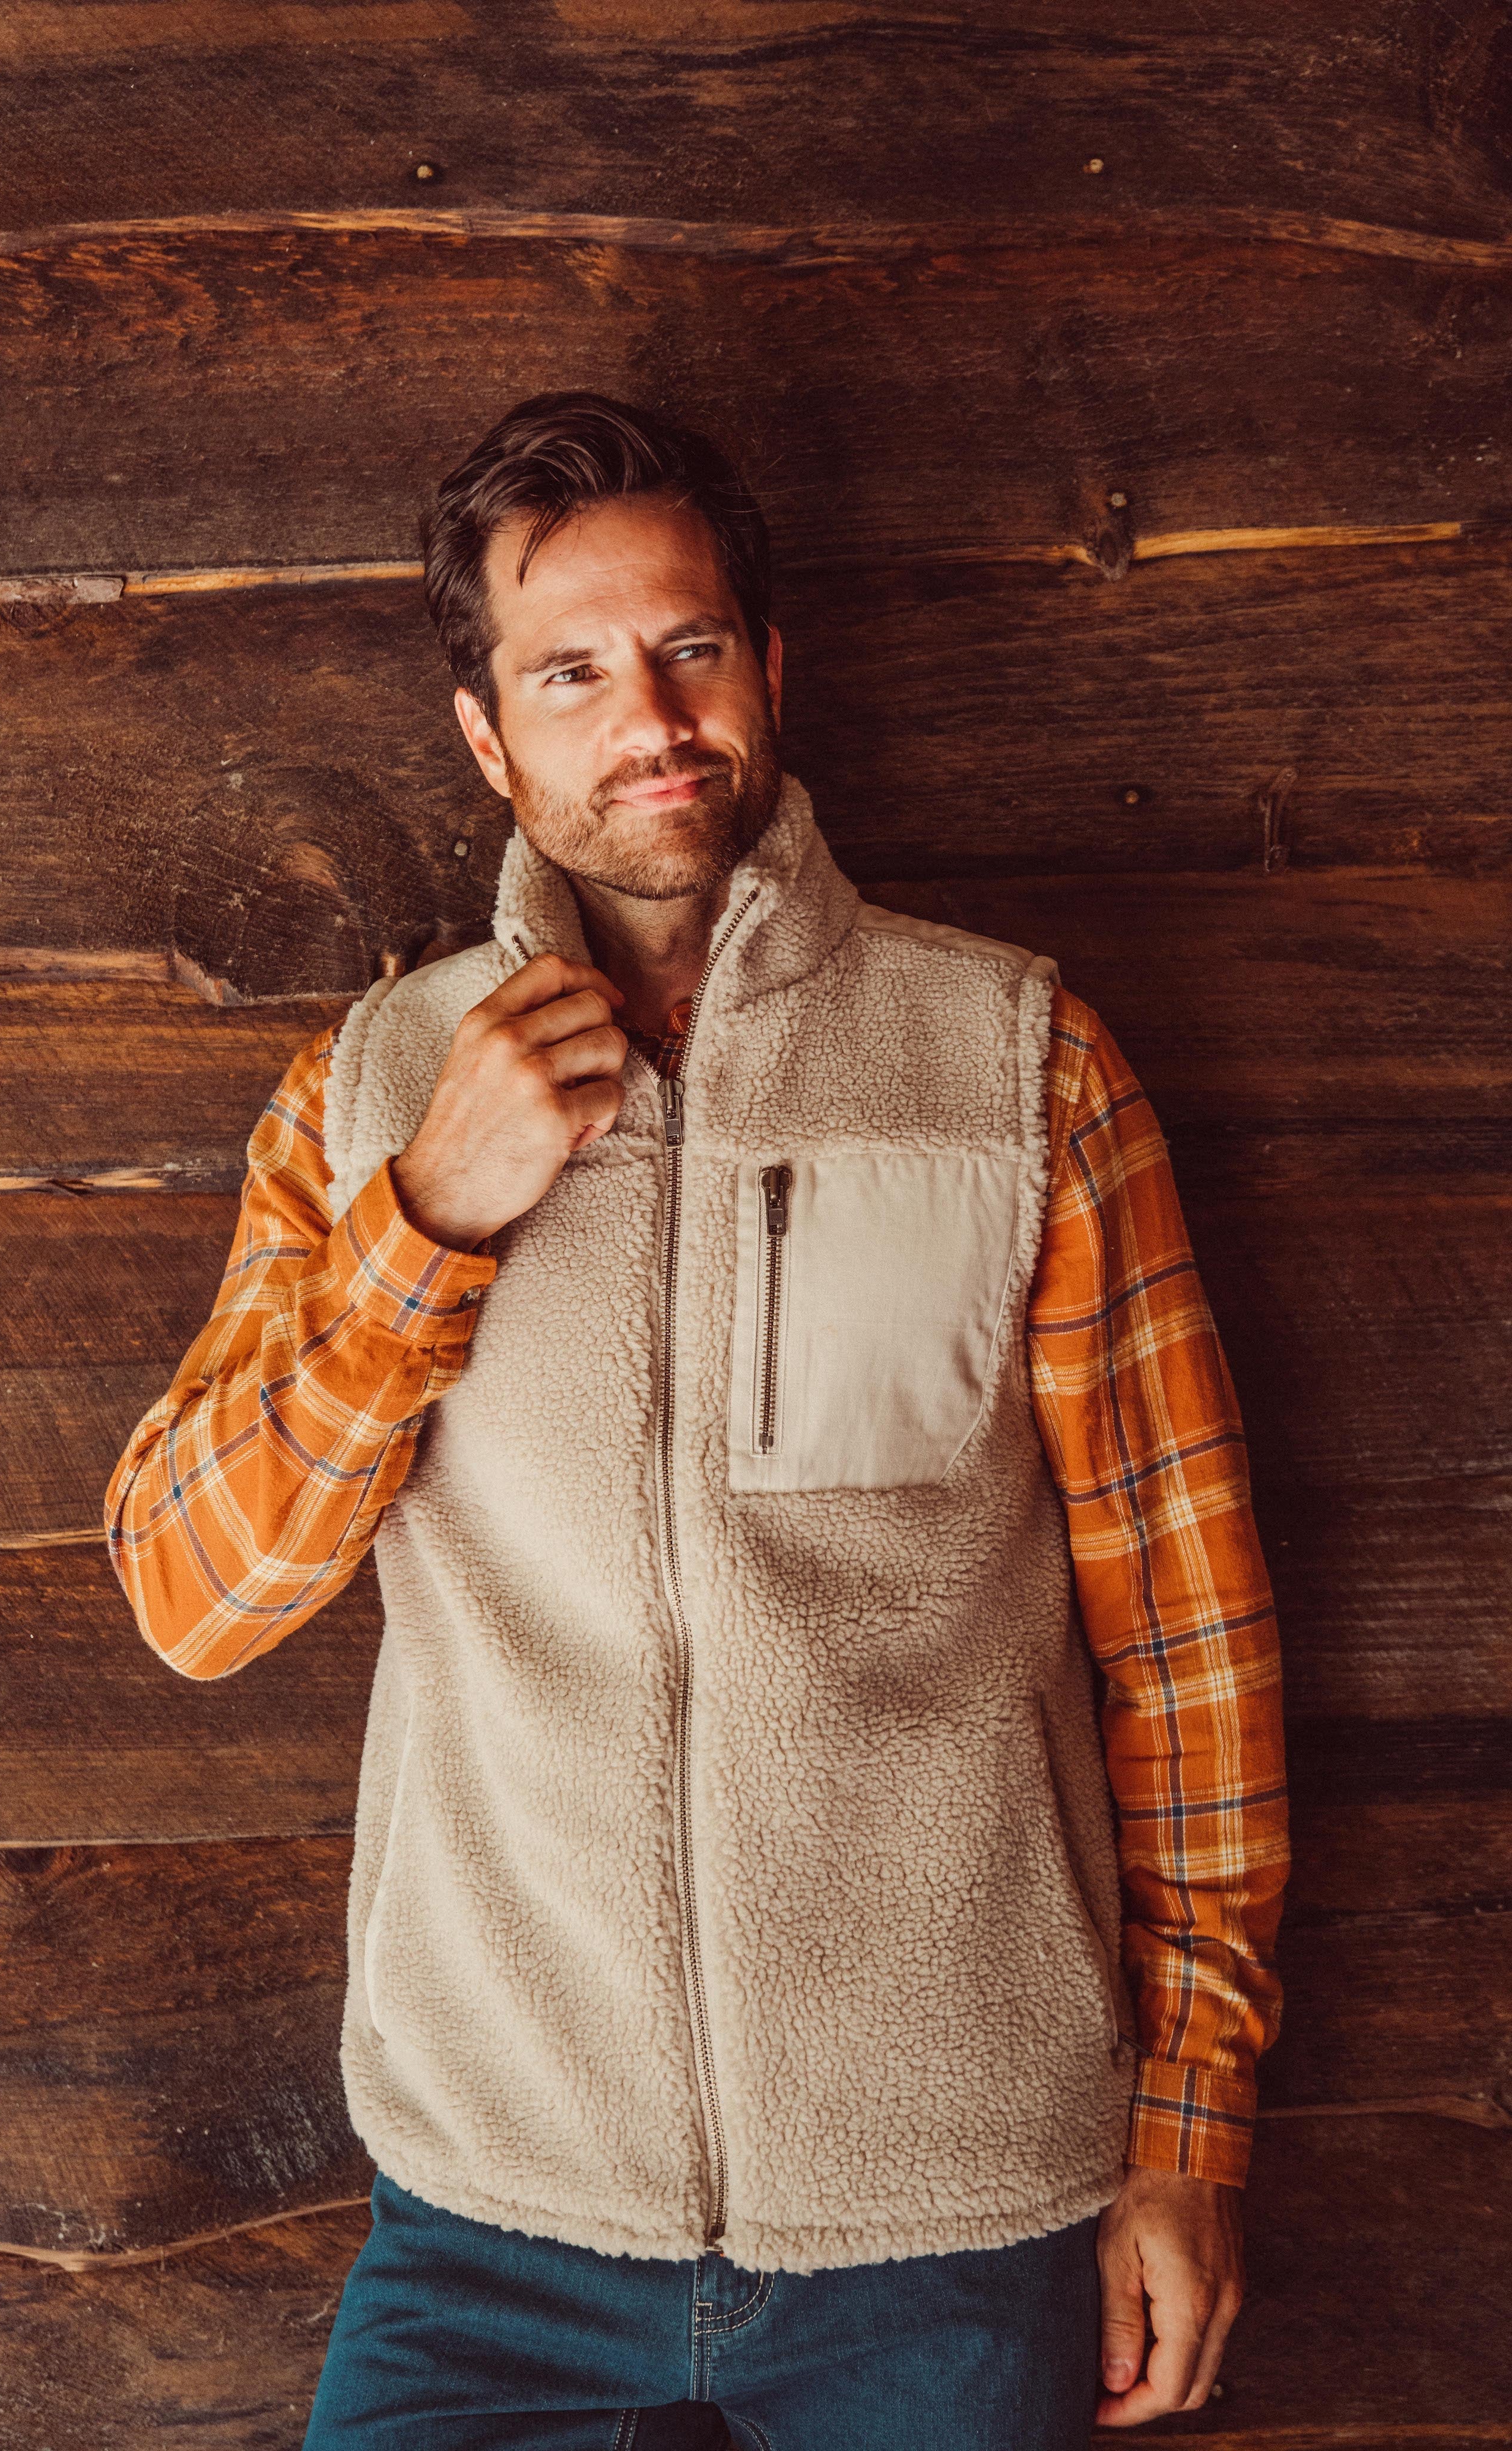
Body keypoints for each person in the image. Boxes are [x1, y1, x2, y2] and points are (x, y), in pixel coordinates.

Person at [104, 391, 1289, 2451]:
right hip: (492, 2219)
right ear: (490, 738)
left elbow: (1188, 1649)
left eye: (688, 648)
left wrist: (1190, 2130)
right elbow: (192, 1597)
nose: (649, 719)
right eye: (568, 673)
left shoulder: (1018, 1065)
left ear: (768, 665)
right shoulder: (368, 1096)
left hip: (953, 2210)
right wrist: (427, 1221)